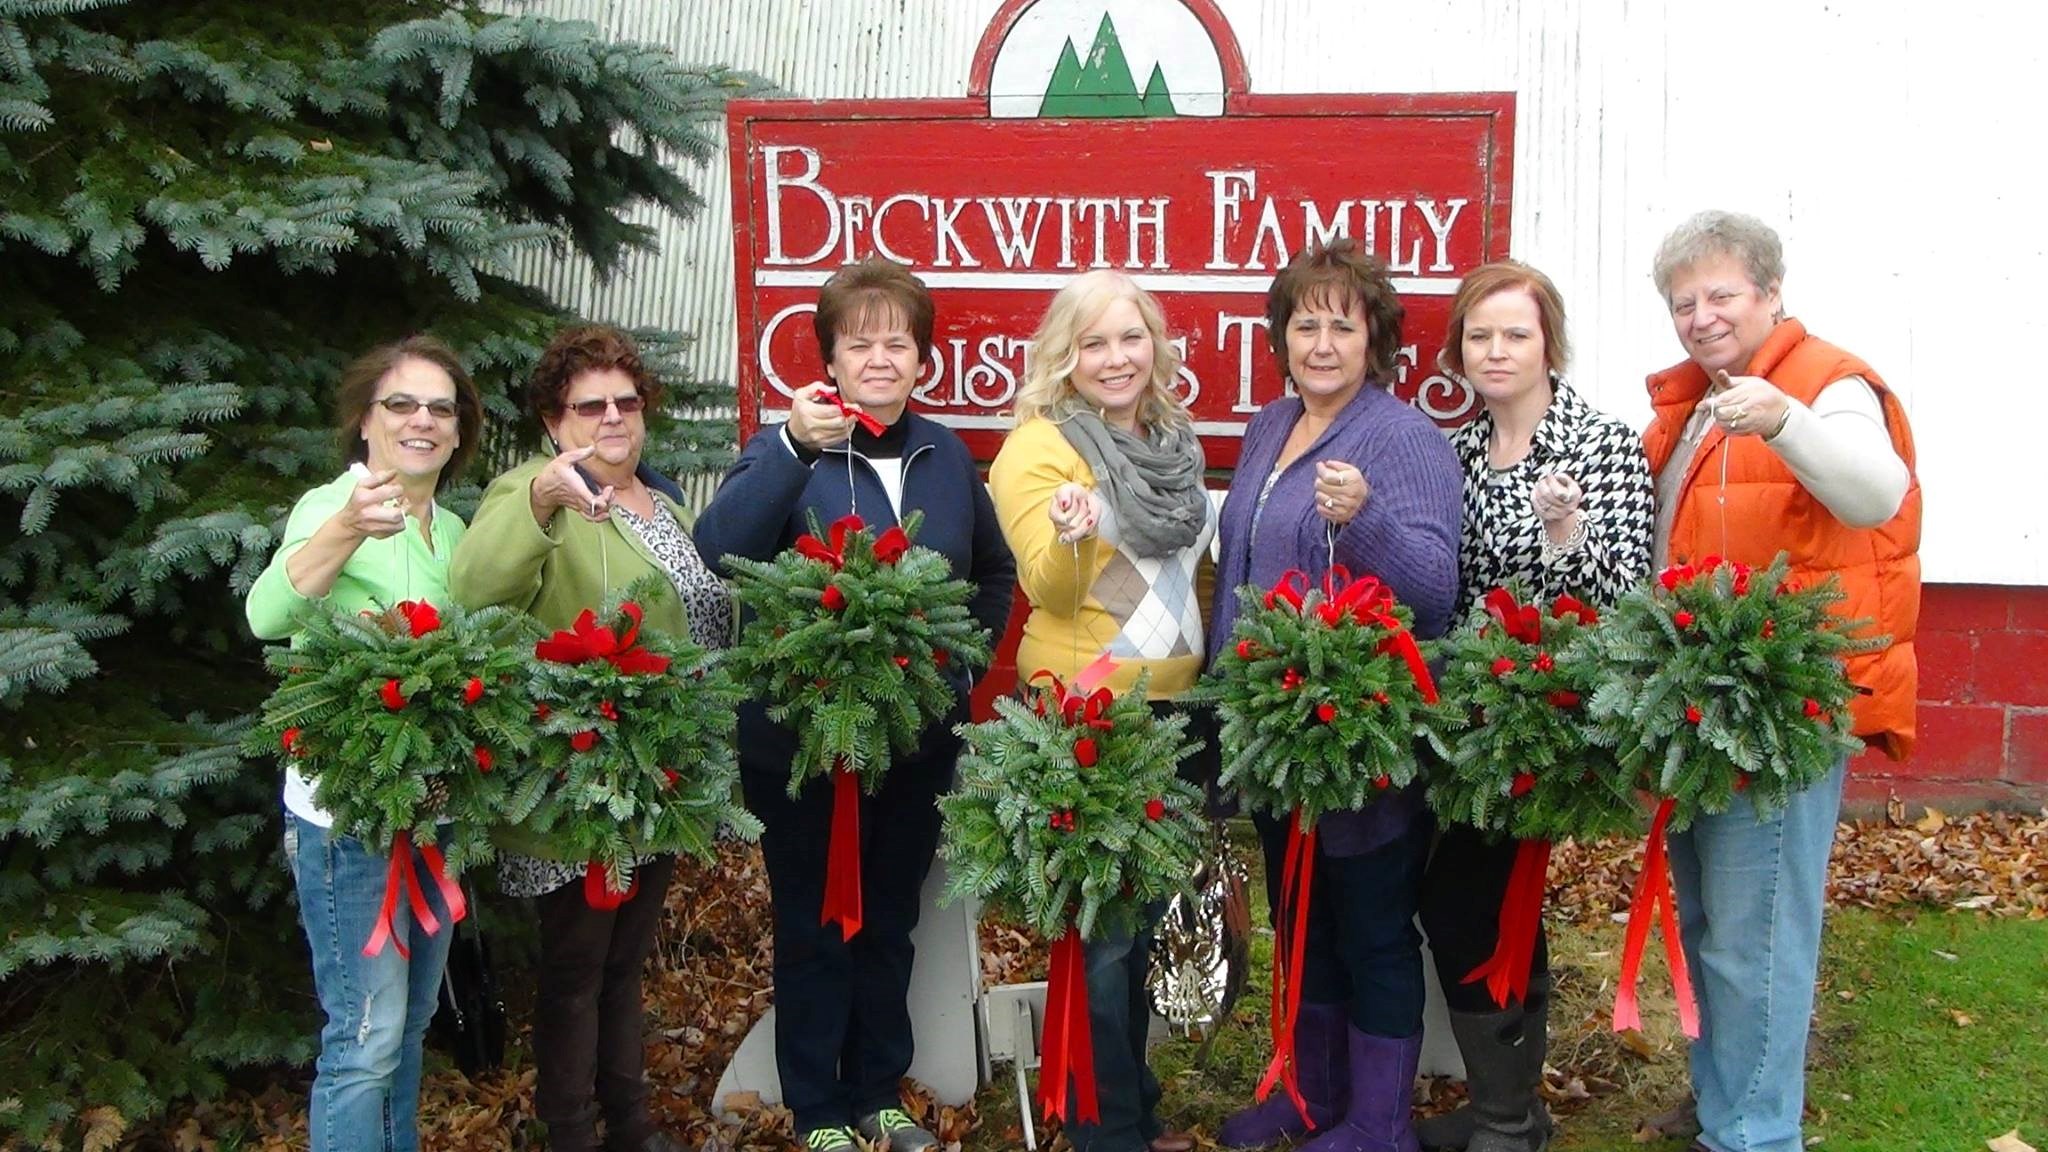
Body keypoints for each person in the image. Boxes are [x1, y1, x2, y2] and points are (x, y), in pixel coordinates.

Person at [692, 259, 1015, 1152]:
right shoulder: (789, 445)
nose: (879, 358)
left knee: (889, 922)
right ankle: (819, 1108)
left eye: (897, 342)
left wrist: (959, 672)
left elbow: (994, 574)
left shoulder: (944, 454)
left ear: (922, 359)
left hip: (914, 744)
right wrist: (792, 449)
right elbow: (720, 551)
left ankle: (878, 1092)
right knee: (813, 925)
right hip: (803, 749)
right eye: (858, 342)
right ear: (829, 358)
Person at [1639, 210, 1918, 1152]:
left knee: (1755, 937)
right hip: (1701, 707)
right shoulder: (1694, 405)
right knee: (1720, 922)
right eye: (1685, 303)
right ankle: (1726, 1105)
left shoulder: (1827, 385)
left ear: (1770, 293)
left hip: (1784, 711)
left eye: (1722, 295)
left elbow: (1875, 495)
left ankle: (1754, 1133)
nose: (1703, 316)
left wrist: (1785, 418)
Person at [1210, 239, 1463, 1152]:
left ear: (1374, 339)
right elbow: (1237, 564)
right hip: (1276, 731)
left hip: (1359, 736)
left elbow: (1434, 588)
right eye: (1304, 323)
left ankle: (1378, 1120)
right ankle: (1309, 1093)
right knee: (1299, 914)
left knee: (1370, 924)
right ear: (1280, 337)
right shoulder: (1270, 427)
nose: (1321, 342)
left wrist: (1368, 522)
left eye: (1341, 325)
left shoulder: (1403, 439)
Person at [451, 325, 728, 1152]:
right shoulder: (525, 494)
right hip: (573, 783)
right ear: (552, 420)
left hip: (657, 777)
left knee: (621, 966)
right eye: (589, 406)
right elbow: (474, 588)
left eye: (626, 402)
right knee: (575, 972)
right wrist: (543, 499)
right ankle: (570, 1131)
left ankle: (631, 1124)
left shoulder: (666, 501)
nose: (612, 418)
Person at [1412, 262, 1654, 1152]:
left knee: (1472, 900)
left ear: (1549, 342)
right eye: (1480, 335)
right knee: (1481, 901)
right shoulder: (1464, 451)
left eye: (1515, 333)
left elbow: (1625, 591)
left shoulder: (1596, 442)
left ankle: (1509, 1120)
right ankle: (1509, 1111)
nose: (1497, 350)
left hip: (1550, 720)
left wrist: (1564, 533)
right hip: (1474, 719)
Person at [987, 271, 1211, 1152]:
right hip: (1090, 717)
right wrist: (1078, 534)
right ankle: (1104, 1128)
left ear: (1154, 344)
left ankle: (1131, 1104)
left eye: (1129, 338)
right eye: (1092, 343)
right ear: (1063, 357)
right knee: (1105, 941)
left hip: (1174, 713)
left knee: (1145, 928)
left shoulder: (1171, 440)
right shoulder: (1038, 451)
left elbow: (1187, 575)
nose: (1115, 359)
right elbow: (1045, 586)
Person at [246, 336, 483, 1152]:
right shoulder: (330, 505)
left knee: (410, 1025)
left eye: (441, 408)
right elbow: (266, 616)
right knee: (366, 1035)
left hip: (435, 814)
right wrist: (347, 527)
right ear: (365, 422)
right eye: (402, 404)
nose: (423, 420)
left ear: (458, 434)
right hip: (347, 817)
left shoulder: (452, 528)